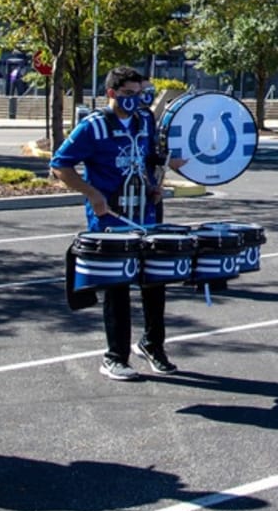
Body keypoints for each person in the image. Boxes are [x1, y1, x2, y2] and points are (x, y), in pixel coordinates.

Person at [51, 66, 181, 379]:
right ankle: (115, 357)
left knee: (155, 281)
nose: (136, 100)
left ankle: (153, 344)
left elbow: (150, 157)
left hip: (146, 216)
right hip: (111, 219)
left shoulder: (146, 120)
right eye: (128, 95)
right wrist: (92, 194)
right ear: (111, 93)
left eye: (140, 95)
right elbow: (60, 166)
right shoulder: (92, 127)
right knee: (118, 287)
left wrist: (156, 184)